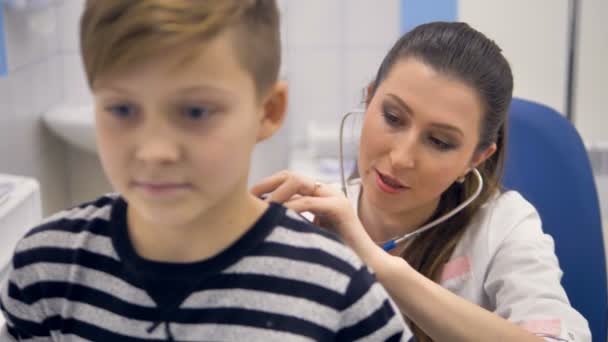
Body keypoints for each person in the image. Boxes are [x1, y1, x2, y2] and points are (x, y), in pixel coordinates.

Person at [0, 1, 407, 341]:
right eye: (122, 109)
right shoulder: (45, 269)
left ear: (268, 111)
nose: (155, 151)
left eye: (195, 111)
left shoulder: (338, 294)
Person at [252, 22, 591, 342]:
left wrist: (380, 266)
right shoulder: (308, 221)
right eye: (392, 117)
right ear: (369, 100)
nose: (401, 157)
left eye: (440, 142)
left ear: (476, 158)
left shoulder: (502, 226)